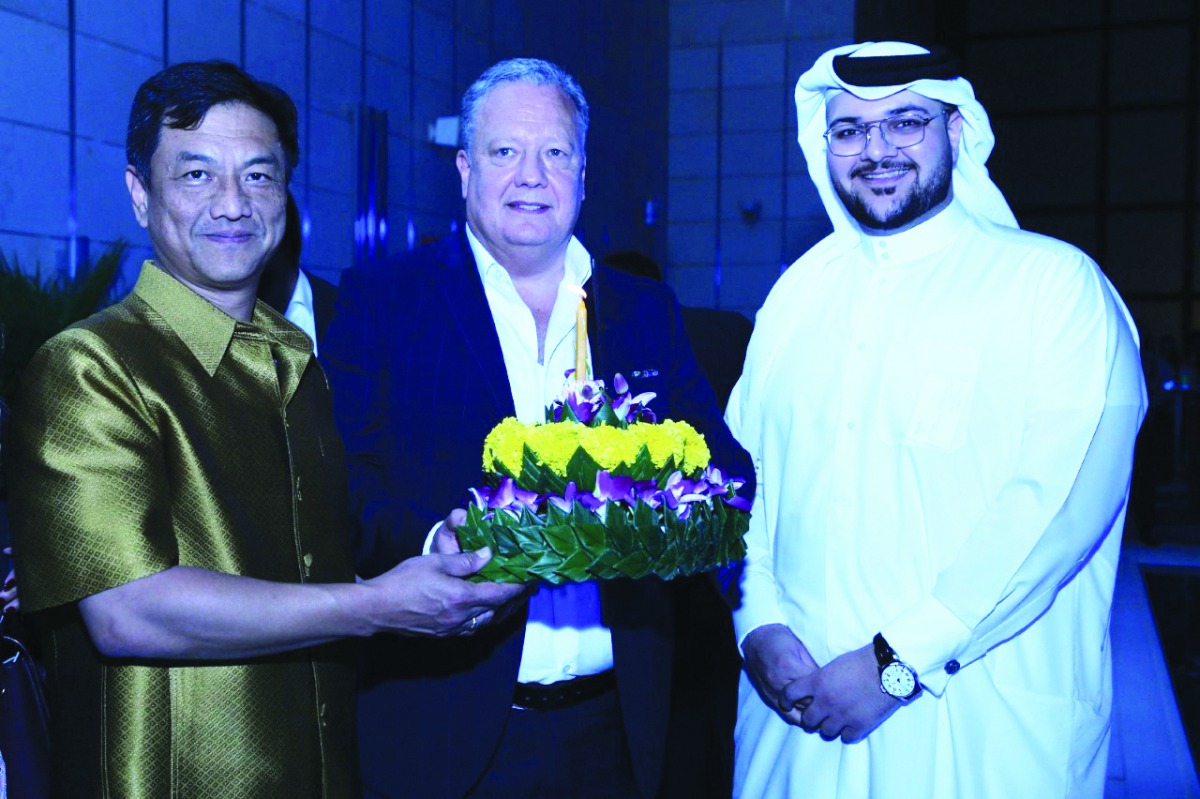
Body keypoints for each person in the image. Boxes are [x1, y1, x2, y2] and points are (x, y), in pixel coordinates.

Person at [4, 60, 523, 798]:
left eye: (259, 176)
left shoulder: (294, 358)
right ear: (139, 194)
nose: (232, 203)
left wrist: (432, 544)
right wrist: (378, 605)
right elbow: (130, 610)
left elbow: (317, 539)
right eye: (195, 176)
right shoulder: (91, 365)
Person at [320, 58, 751, 798]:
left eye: (554, 153)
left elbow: (726, 472)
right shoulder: (383, 301)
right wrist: (436, 541)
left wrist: (663, 515)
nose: (531, 176)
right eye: (504, 152)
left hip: (618, 727)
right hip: (444, 724)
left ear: (583, 172)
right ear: (463, 169)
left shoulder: (645, 310)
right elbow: (340, 482)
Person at [727, 41, 1147, 798]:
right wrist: (755, 622)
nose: (876, 150)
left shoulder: (1055, 288)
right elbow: (739, 481)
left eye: (906, 124)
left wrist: (897, 662)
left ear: (956, 134)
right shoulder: (795, 297)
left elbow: (1054, 511)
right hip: (796, 721)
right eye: (849, 130)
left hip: (979, 728)